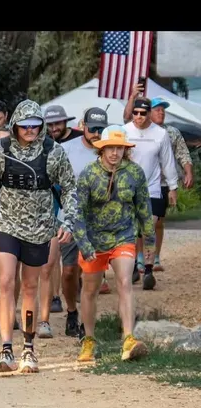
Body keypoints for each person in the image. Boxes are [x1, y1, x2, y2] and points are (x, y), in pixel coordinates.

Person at [0, 100, 77, 374]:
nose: (30, 129)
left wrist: (67, 220)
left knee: (30, 286)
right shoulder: (1, 151)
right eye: (25, 125)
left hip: (40, 227)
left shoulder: (53, 152)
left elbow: (69, 188)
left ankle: (28, 348)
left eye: (35, 124)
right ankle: (5, 348)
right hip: (7, 224)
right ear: (15, 125)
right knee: (6, 282)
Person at [73, 127, 154, 363]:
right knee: (90, 289)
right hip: (94, 239)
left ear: (125, 150)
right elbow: (77, 212)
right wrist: (84, 243)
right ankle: (88, 340)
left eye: (119, 148)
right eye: (111, 148)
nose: (115, 153)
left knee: (125, 281)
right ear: (102, 149)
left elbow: (144, 209)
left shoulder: (135, 173)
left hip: (124, 235)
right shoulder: (88, 174)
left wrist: (149, 241)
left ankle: (129, 338)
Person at [39, 107, 108, 339]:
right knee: (68, 272)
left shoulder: (109, 151)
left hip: (97, 223)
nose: (97, 133)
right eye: (92, 129)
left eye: (101, 129)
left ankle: (87, 323)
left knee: (90, 272)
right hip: (68, 219)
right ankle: (71, 311)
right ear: (83, 126)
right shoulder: (65, 149)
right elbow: (51, 181)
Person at [124, 89, 194, 271]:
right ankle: (137, 260)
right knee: (136, 226)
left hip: (157, 186)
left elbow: (175, 158)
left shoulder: (167, 133)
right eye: (157, 109)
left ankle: (152, 261)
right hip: (133, 187)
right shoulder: (127, 130)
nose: (161, 112)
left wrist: (177, 183)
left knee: (153, 224)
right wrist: (132, 96)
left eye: (163, 109)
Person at [123, 96, 178, 288]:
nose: (138, 117)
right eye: (135, 113)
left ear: (149, 114)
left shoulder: (160, 134)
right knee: (130, 230)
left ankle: (147, 270)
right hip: (127, 189)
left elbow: (168, 161)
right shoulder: (125, 131)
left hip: (152, 189)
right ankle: (131, 269)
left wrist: (172, 187)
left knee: (149, 229)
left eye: (143, 113)